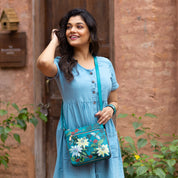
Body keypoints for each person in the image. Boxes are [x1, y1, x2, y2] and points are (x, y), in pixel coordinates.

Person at [37, 8, 124, 178]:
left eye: (79, 26)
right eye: (68, 27)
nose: (72, 31)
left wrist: (111, 109)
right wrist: (55, 41)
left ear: (90, 32)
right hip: (76, 138)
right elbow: (42, 63)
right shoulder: (61, 64)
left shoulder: (105, 64)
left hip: (104, 135)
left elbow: (114, 100)